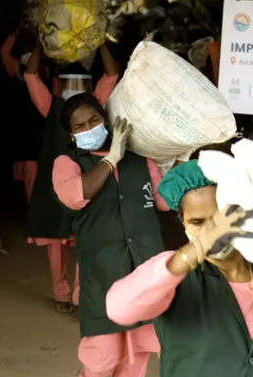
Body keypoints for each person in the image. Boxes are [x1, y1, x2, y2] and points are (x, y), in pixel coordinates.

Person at [105, 160, 253, 377]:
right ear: (183, 223)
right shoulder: (175, 279)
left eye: (221, 219)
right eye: (198, 222)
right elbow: (119, 309)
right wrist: (195, 251)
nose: (213, 232)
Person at [51, 93, 171, 377]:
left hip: (142, 272)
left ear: (106, 120)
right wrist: (112, 158)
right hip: (102, 275)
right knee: (101, 358)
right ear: (71, 134)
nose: (89, 128)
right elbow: (74, 195)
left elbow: (164, 202)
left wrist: (175, 162)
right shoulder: (68, 162)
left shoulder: (140, 160)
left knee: (136, 357)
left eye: (94, 120)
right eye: (79, 126)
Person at [20, 41, 120, 313]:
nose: (74, 88)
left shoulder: (93, 107)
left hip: (86, 184)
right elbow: (30, 75)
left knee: (86, 242)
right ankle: (61, 293)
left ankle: (79, 295)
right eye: (69, 83)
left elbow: (111, 75)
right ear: (60, 85)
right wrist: (41, 43)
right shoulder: (50, 106)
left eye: (80, 84)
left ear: (88, 87)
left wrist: (101, 44)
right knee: (56, 243)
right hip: (55, 186)